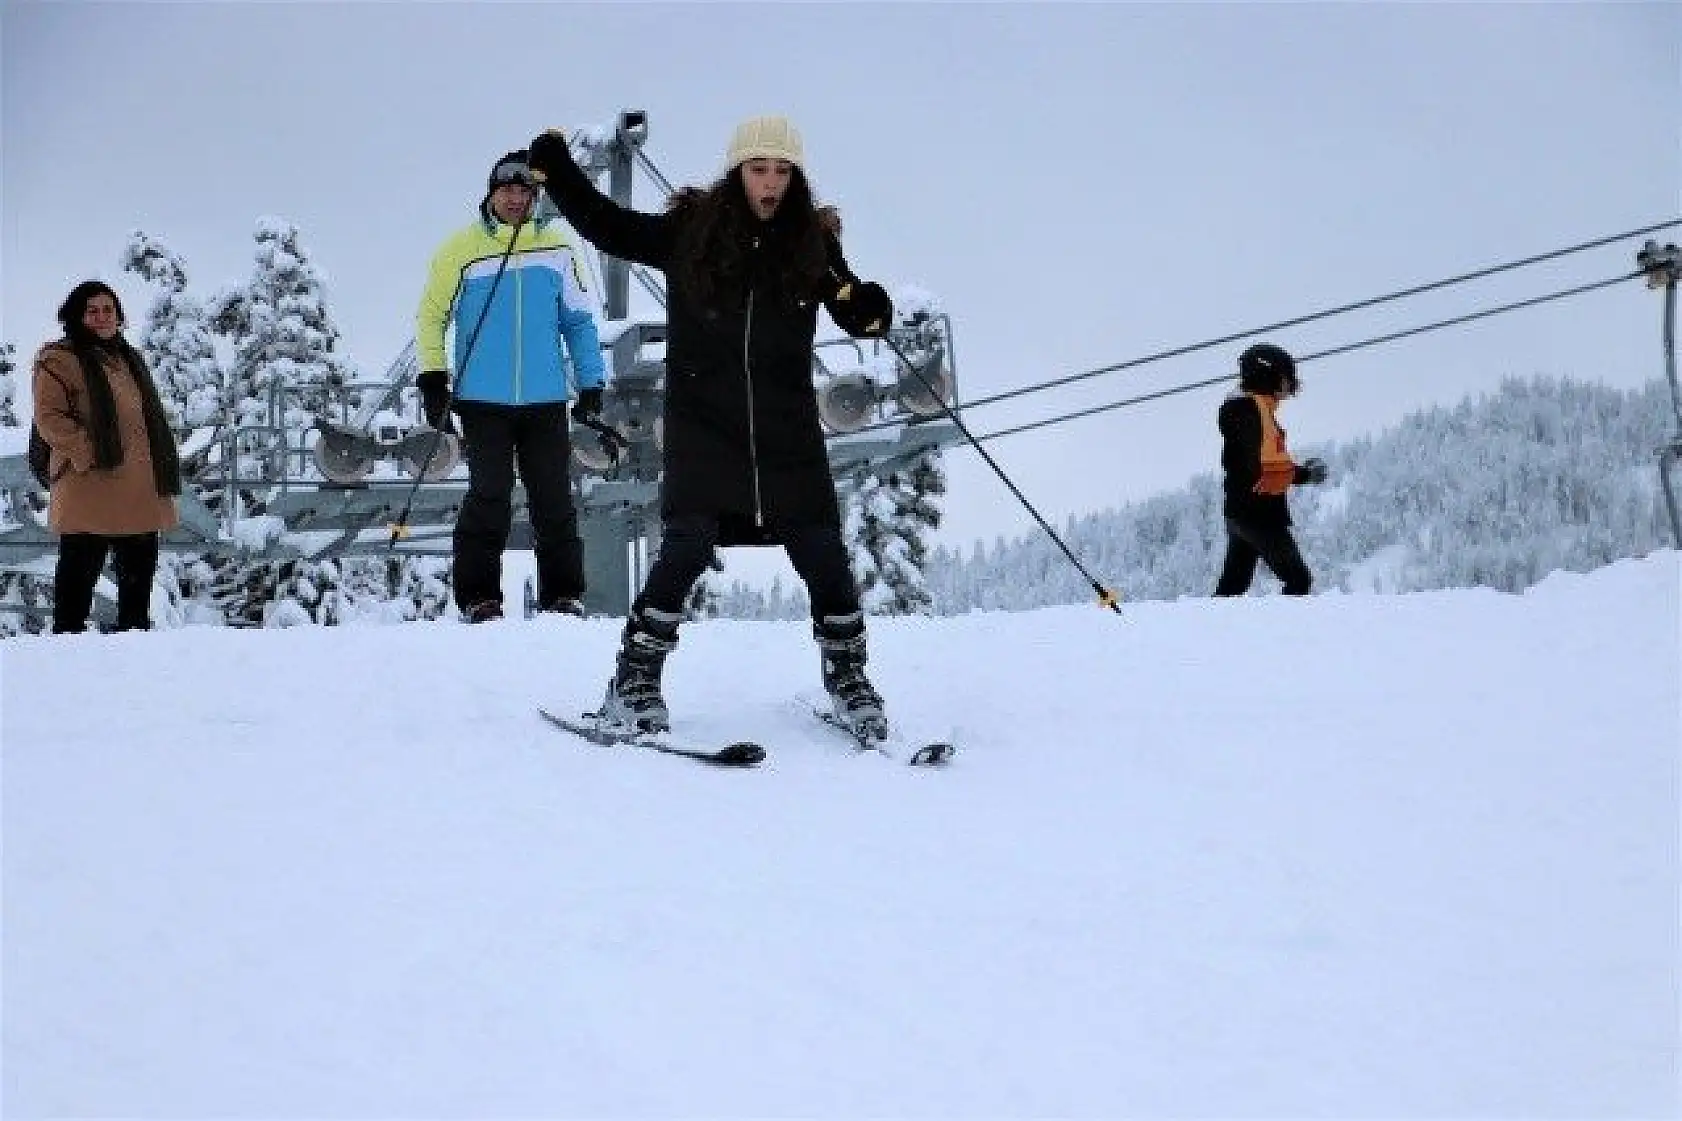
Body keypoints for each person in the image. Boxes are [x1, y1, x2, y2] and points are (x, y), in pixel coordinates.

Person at [526, 115, 896, 735]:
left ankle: (848, 676)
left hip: (786, 430)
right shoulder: (692, 233)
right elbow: (611, 229)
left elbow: (845, 297)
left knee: (821, 549)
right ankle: (635, 679)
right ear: (737, 173)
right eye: (759, 169)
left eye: (782, 170)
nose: (770, 183)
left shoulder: (811, 241)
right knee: (687, 546)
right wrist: (559, 172)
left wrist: (865, 310)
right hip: (705, 425)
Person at [416, 148, 609, 622]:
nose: (515, 199)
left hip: (544, 398)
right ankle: (479, 598)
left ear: (536, 196)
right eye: (507, 190)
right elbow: (431, 317)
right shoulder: (459, 250)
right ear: (491, 194)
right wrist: (433, 379)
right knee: (489, 495)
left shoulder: (559, 248)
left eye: (525, 191)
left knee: (554, 498)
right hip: (483, 400)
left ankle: (563, 597)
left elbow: (579, 322)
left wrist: (591, 383)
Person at [32, 280, 182, 633]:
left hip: (139, 491)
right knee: (74, 600)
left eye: (108, 310)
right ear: (77, 316)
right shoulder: (59, 359)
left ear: (118, 315)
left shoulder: (127, 358)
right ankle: (66, 663)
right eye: (92, 311)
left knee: (136, 598)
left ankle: (132, 665)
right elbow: (49, 418)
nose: (102, 318)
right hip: (89, 487)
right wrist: (88, 452)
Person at [1213, 342, 1328, 597]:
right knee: (1298, 580)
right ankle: (1286, 636)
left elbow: (1265, 462)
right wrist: (1305, 475)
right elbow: (1265, 467)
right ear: (1268, 377)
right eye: (1287, 379)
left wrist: (1301, 474)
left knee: (1232, 588)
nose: (1291, 387)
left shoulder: (1252, 410)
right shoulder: (1251, 412)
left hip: (1242, 511)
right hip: (1258, 514)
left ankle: (1202, 633)